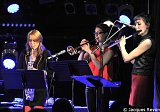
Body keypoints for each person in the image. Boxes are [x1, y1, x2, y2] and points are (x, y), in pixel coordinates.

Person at [118, 13, 156, 108]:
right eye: (135, 24)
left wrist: (123, 46)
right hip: (137, 76)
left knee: (139, 106)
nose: (136, 27)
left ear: (147, 25)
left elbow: (126, 59)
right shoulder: (143, 41)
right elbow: (135, 62)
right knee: (135, 106)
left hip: (142, 77)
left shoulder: (147, 42)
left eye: (139, 24)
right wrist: (122, 49)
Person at [78, 23, 115, 112]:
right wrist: (83, 51)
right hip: (90, 82)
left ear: (106, 34)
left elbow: (99, 66)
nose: (96, 35)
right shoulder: (93, 48)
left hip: (103, 84)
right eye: (95, 33)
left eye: (99, 33)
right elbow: (80, 62)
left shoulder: (110, 50)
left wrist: (89, 51)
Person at [18, 29, 52, 112]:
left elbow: (51, 72)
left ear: (39, 41)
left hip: (40, 90)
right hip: (27, 91)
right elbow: (19, 70)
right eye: (30, 40)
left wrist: (39, 72)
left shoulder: (45, 54)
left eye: (35, 41)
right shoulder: (24, 53)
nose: (32, 43)